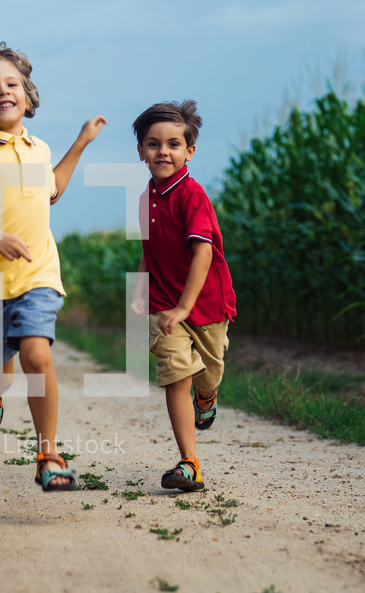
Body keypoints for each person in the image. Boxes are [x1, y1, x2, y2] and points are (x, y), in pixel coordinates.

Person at [0, 41, 106, 491]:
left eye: (12, 84)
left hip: (38, 276)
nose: (3, 91)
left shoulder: (38, 149)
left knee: (37, 354)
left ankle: (48, 454)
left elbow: (52, 189)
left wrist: (82, 142)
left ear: (28, 98)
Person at [129, 100, 236, 492]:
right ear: (140, 151)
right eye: (153, 144)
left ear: (189, 151)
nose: (163, 151)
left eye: (174, 144)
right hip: (163, 305)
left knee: (208, 375)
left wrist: (186, 306)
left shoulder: (192, 195)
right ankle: (189, 462)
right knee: (176, 377)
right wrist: (142, 292)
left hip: (206, 307)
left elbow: (203, 251)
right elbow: (148, 250)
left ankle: (206, 398)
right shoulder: (144, 200)